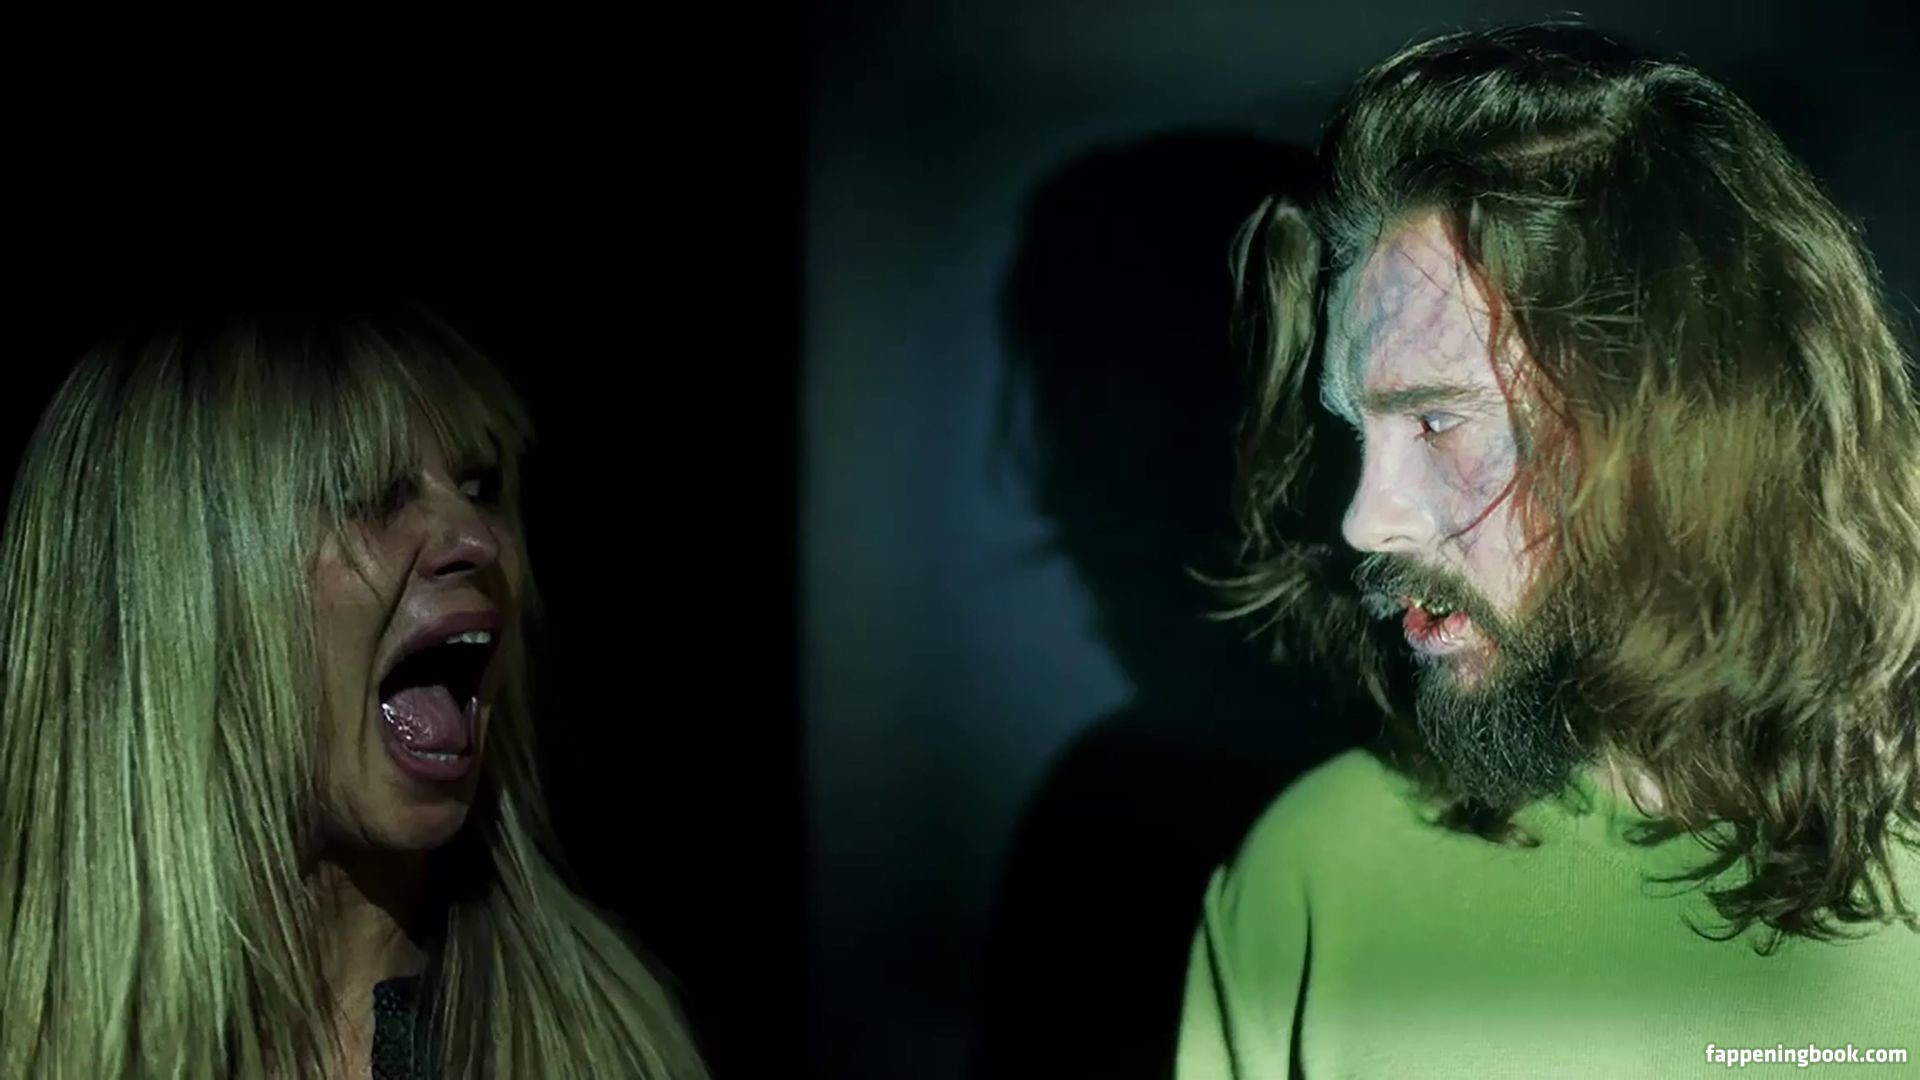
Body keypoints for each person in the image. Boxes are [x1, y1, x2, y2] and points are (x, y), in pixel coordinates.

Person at [1178, 25, 1920, 1077]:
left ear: (1685, 428)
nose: (1364, 521)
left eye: (1437, 421)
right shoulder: (1314, 872)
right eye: (1359, 433)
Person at [0, 303, 709, 1078]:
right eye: (371, 491)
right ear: (181, 594)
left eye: (480, 487)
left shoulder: (603, 1047)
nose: (475, 538)